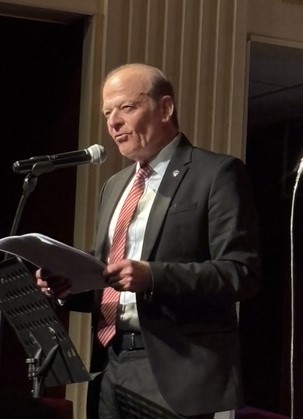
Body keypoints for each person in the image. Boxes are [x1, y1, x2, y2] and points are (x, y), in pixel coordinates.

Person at [36, 63, 261, 419]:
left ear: (165, 108)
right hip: (110, 364)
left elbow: (240, 273)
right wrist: (68, 285)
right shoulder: (115, 186)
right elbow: (108, 279)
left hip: (175, 369)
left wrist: (153, 276)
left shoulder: (216, 173)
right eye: (107, 113)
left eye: (126, 108)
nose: (113, 123)